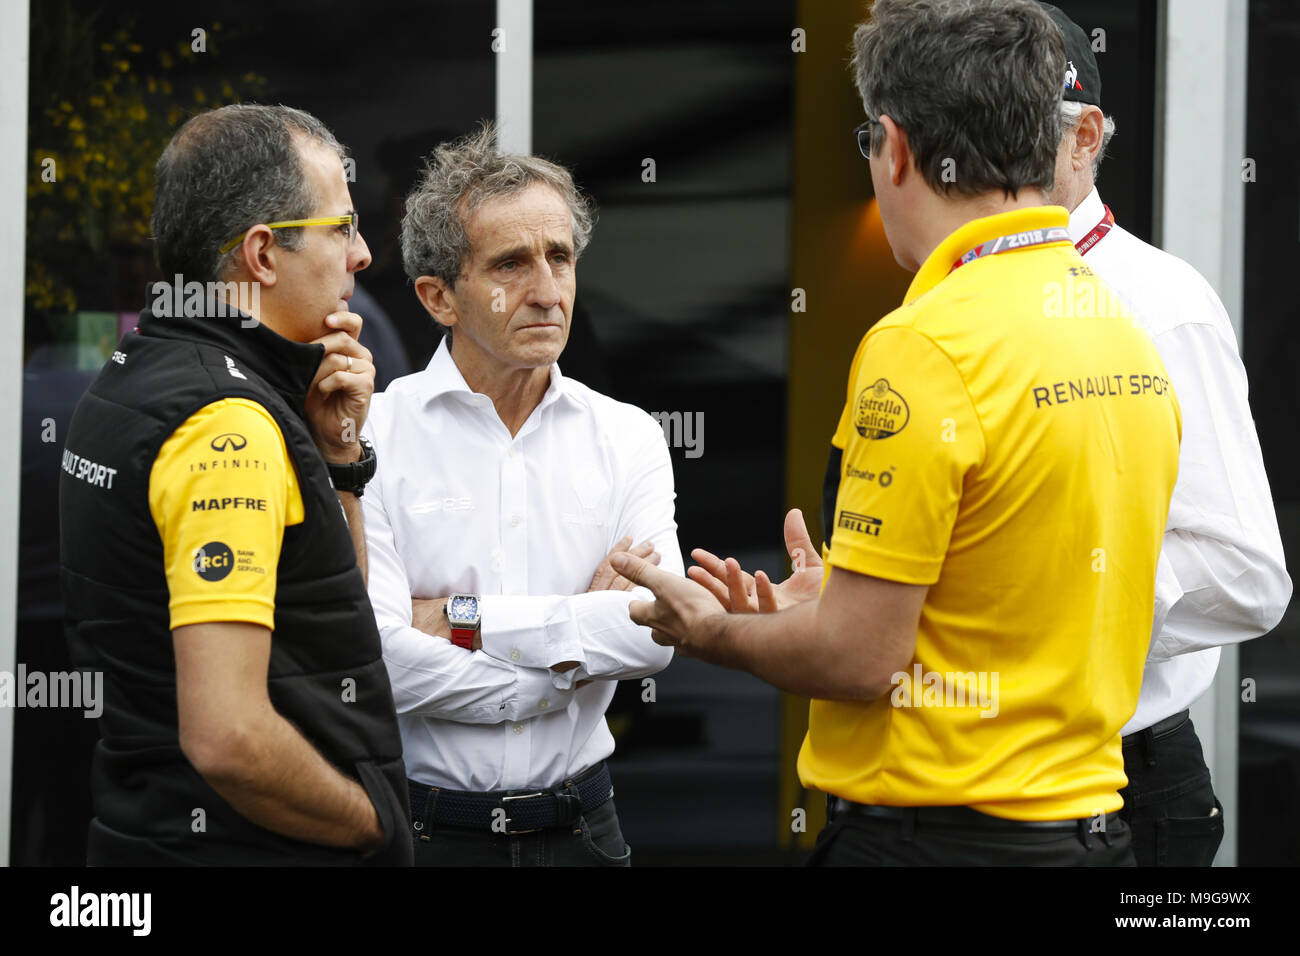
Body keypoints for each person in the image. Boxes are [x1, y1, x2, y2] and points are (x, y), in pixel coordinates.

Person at [611, 0, 1182, 866]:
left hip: (935, 841)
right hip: (1091, 833)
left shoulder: (923, 343)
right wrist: (843, 596)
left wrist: (711, 631)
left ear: (898, 146)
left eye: (868, 144)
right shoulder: (1121, 324)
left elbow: (858, 660)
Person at [59, 104, 412, 865]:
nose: (362, 256)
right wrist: (373, 824)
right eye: (341, 227)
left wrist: (338, 459)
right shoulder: (228, 425)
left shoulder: (141, 367)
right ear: (261, 254)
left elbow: (324, 619)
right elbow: (227, 737)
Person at [361, 124, 679, 866]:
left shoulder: (627, 435)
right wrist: (567, 658)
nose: (546, 290)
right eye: (511, 263)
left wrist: (459, 618)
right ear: (439, 297)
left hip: (582, 829)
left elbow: (654, 631)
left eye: (560, 257)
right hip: (422, 833)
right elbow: (376, 660)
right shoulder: (372, 436)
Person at [1039, 3, 1291, 866]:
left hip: (1126, 789)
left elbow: (1248, 573)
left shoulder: (1161, 303)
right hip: (974, 780)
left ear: (1086, 138)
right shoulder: (944, 287)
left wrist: (1052, 607)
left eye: (1010, 123)